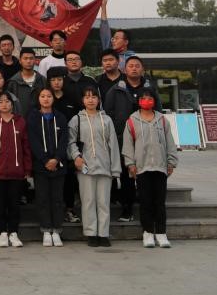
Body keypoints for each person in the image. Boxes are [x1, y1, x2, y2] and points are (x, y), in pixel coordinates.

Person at [122, 87, 177, 248]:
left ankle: (161, 233)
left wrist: (171, 162)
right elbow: (127, 145)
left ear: (154, 101)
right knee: (145, 201)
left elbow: (170, 142)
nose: (147, 101)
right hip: (142, 167)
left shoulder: (162, 120)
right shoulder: (131, 121)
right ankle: (147, 232)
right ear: (139, 101)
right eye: (144, 98)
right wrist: (130, 164)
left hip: (160, 167)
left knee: (159, 202)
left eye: (150, 98)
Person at [67, 85, 121, 248]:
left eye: (93, 97)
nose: (90, 100)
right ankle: (91, 233)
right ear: (82, 100)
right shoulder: (76, 119)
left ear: (98, 100)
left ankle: (103, 233)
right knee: (88, 201)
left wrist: (115, 169)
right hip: (85, 167)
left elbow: (113, 145)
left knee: (103, 202)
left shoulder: (107, 120)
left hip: (105, 166)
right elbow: (70, 141)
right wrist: (76, 157)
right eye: (87, 97)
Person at [103, 56, 154, 222]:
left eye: (137, 66)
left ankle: (148, 210)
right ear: (125, 69)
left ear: (142, 69)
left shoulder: (149, 88)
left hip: (146, 138)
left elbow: (158, 111)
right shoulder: (116, 89)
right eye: (130, 66)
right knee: (126, 175)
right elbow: (108, 113)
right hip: (123, 138)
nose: (134, 68)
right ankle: (127, 210)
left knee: (146, 174)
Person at [0, 92, 32, 248]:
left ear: (12, 103)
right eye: (1, 102)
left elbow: (26, 147)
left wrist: (27, 169)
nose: (4, 104)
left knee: (14, 205)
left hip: (17, 173)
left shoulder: (20, 122)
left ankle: (13, 233)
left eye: (7, 101)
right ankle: (2, 233)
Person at [28, 88, 68, 247]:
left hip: (59, 165)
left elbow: (64, 140)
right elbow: (33, 141)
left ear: (53, 98)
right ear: (38, 99)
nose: (46, 99)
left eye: (49, 96)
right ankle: (46, 230)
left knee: (57, 199)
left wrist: (56, 159)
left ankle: (56, 230)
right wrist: (45, 160)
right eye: (43, 96)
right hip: (41, 165)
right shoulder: (33, 118)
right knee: (43, 198)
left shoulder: (60, 117)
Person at [46, 66, 81, 224]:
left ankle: (69, 209)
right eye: (53, 80)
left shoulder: (71, 98)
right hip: (49, 146)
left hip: (68, 145)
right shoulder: (45, 98)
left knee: (69, 180)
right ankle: (53, 211)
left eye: (59, 79)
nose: (56, 83)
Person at [6, 47, 44, 118]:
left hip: (39, 120)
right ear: (20, 61)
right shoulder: (13, 82)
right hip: (19, 120)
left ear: (35, 60)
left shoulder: (42, 80)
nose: (28, 61)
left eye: (31, 58)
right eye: (25, 58)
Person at [99, 0, 136, 70]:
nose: (113, 41)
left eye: (117, 38)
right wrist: (103, 7)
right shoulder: (108, 52)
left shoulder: (132, 58)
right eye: (113, 38)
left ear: (126, 42)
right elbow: (104, 29)